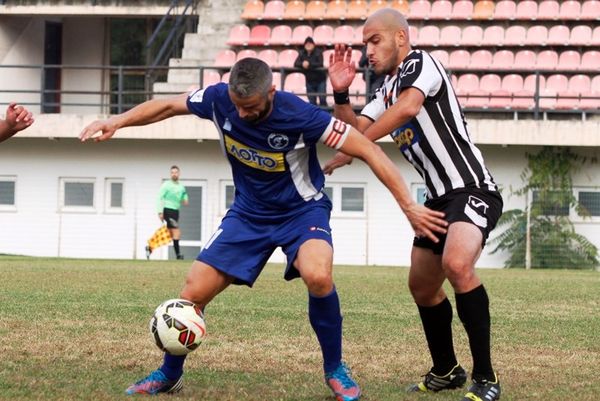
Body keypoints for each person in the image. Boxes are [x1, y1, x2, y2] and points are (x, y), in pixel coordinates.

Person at [79, 57, 447, 400]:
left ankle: (335, 368)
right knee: (192, 292)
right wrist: (117, 121)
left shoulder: (301, 115)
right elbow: (168, 105)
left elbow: (369, 149)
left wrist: (409, 206)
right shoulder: (219, 99)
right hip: (248, 214)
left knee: (318, 275)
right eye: (238, 106)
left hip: (302, 212)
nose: (242, 113)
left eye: (251, 107)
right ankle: (169, 373)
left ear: (271, 92)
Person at [324, 8, 503, 401]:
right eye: (364, 44)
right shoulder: (384, 90)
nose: (368, 51)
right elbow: (356, 129)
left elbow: (406, 109)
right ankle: (446, 370)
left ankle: (486, 378)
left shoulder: (421, 63)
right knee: (422, 287)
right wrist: (340, 94)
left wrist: (359, 146)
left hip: (472, 189)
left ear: (400, 38)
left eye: (375, 41)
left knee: (457, 265)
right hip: (438, 201)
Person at [151, 165, 189, 260]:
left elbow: (185, 198)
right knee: (176, 232)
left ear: (179, 174)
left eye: (176, 172)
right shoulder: (166, 185)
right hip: (167, 210)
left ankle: (149, 247)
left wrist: (185, 199)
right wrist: (160, 212)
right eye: (172, 172)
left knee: (168, 234)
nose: (174, 174)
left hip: (176, 212)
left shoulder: (181, 187)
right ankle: (178, 255)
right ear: (170, 174)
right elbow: (159, 197)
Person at [294, 36, 327, 107]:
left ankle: (325, 116)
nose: (308, 45)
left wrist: (309, 64)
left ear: (313, 45)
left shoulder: (318, 52)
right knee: (312, 101)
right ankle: (315, 117)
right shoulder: (302, 53)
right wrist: (302, 64)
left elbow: (320, 63)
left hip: (320, 80)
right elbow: (296, 63)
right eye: (306, 44)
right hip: (309, 81)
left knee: (322, 99)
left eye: (310, 43)